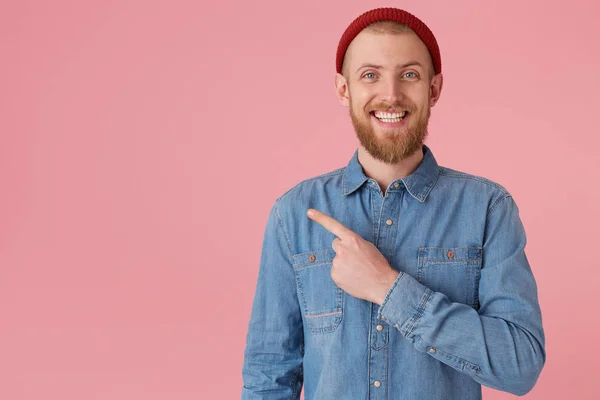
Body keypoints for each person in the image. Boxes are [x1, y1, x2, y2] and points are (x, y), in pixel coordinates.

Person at [241, 7, 545, 400]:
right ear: (343, 89)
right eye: (370, 75)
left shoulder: (488, 209)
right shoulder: (293, 214)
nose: (391, 95)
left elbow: (520, 366)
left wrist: (389, 289)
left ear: (433, 89)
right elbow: (269, 376)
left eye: (409, 75)